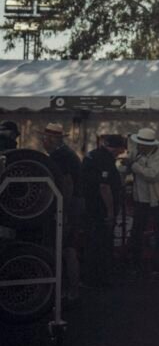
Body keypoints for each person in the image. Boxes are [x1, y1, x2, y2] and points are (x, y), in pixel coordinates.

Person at [41, 122, 84, 302]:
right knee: (68, 248)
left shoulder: (61, 156)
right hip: (73, 205)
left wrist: (62, 211)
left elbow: (67, 184)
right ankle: (69, 289)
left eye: (45, 138)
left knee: (66, 249)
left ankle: (70, 290)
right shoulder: (66, 154)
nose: (43, 141)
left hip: (69, 206)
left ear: (52, 139)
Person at [123, 127, 159, 279]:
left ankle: (158, 266)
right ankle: (136, 264)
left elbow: (152, 175)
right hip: (141, 200)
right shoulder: (136, 153)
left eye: (141, 144)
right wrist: (125, 166)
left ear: (150, 145)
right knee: (137, 233)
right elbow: (126, 167)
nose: (138, 146)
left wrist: (134, 166)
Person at [81, 133, 126, 287]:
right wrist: (110, 212)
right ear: (115, 148)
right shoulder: (105, 159)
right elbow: (104, 187)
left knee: (91, 243)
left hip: (89, 206)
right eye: (119, 151)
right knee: (101, 244)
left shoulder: (92, 155)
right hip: (99, 209)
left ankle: (89, 277)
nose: (119, 154)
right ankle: (98, 278)